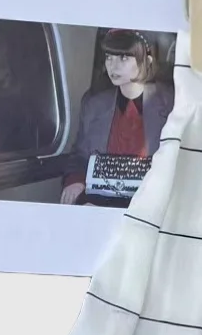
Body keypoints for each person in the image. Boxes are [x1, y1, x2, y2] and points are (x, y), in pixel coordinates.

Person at [60, 28, 174, 207]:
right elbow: (80, 155)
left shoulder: (171, 102)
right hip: (101, 199)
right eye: (109, 57)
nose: (113, 66)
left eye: (123, 58)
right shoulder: (94, 104)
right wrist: (75, 180)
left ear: (147, 60)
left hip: (151, 201)